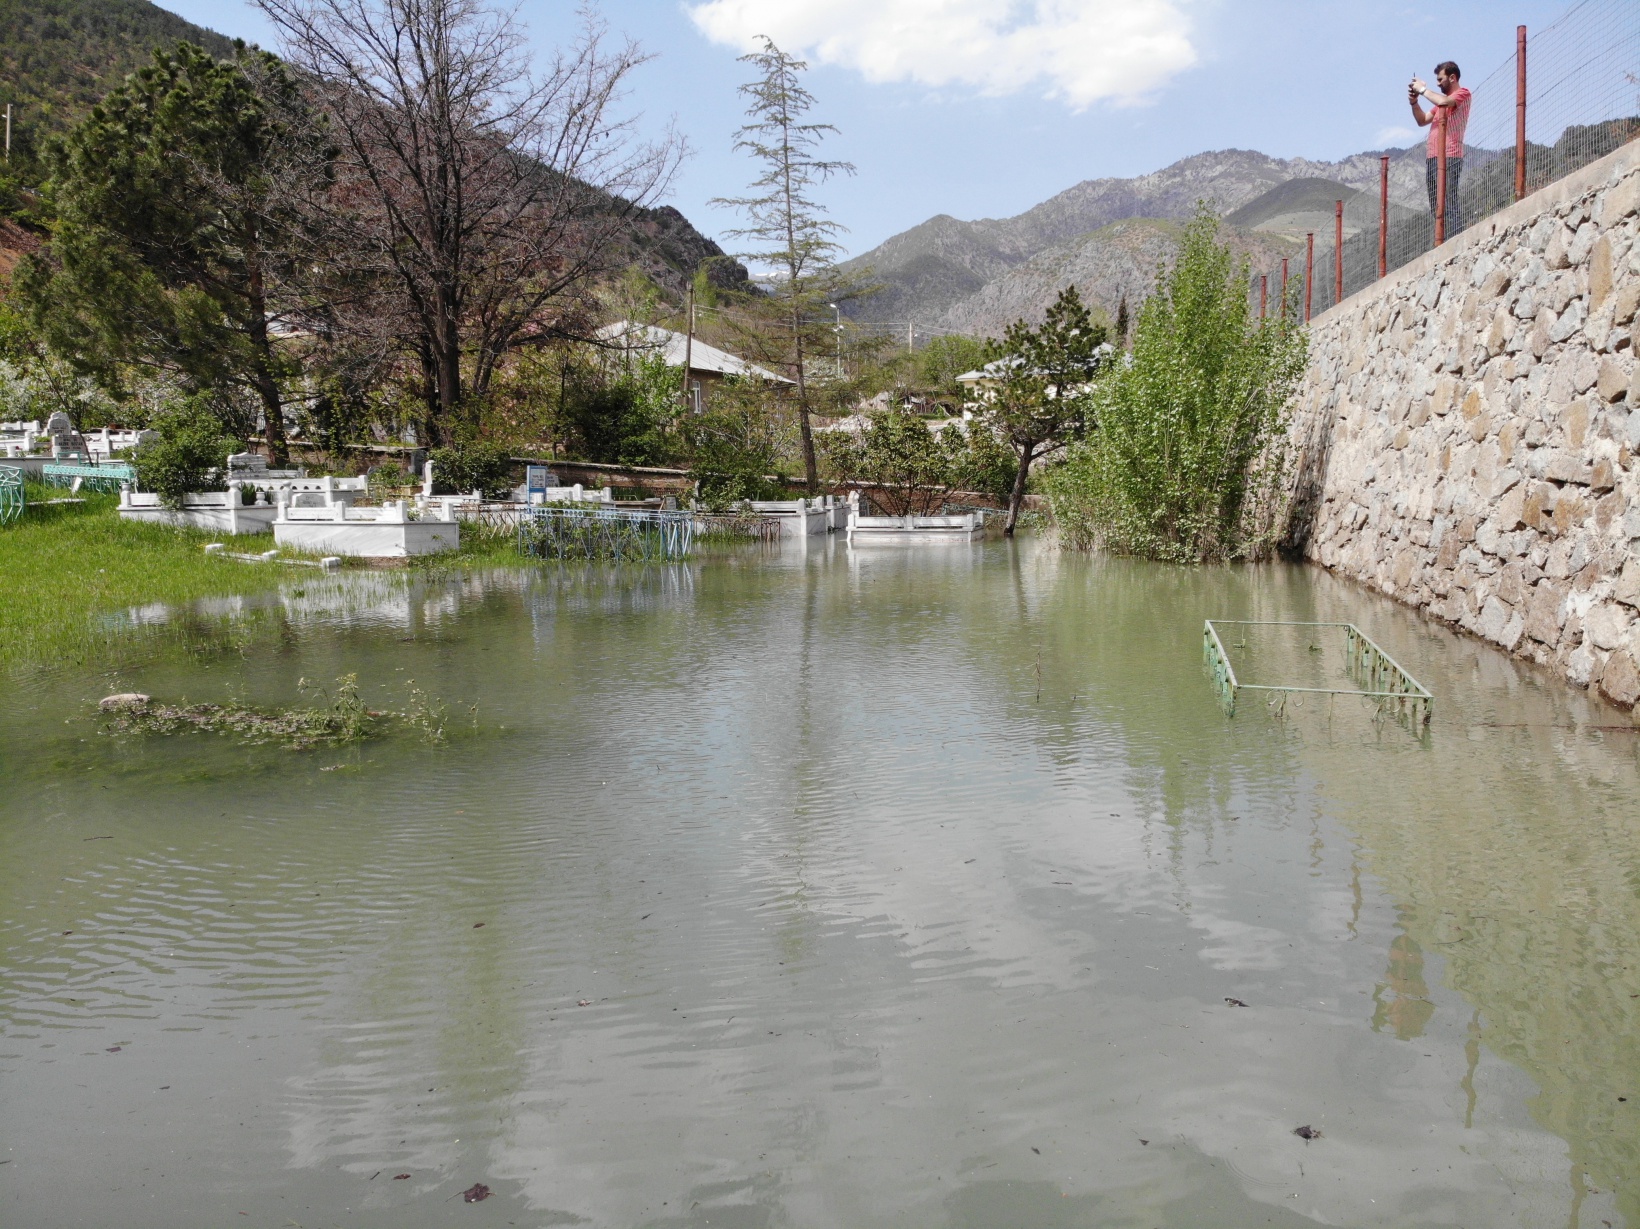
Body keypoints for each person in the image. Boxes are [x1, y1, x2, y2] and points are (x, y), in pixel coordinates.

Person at [1409, 61, 1471, 236]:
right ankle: (1442, 240)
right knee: (1436, 206)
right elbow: (1422, 120)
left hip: (1450, 156)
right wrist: (1414, 102)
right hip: (1433, 157)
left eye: (1440, 79)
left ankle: (1455, 239)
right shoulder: (1438, 104)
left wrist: (1422, 90)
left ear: (1452, 78)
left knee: (1448, 202)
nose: (1437, 83)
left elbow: (1444, 101)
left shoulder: (1463, 93)